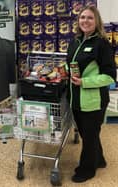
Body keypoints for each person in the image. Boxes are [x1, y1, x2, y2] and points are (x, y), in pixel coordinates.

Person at [66, 5, 116, 183]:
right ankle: (99, 160)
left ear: (97, 22)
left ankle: (86, 170)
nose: (85, 21)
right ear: (78, 21)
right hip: (76, 99)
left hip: (93, 101)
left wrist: (84, 82)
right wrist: (64, 71)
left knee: (89, 135)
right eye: (82, 18)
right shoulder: (75, 41)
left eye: (89, 18)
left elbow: (110, 76)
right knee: (89, 134)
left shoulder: (101, 44)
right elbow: (71, 65)